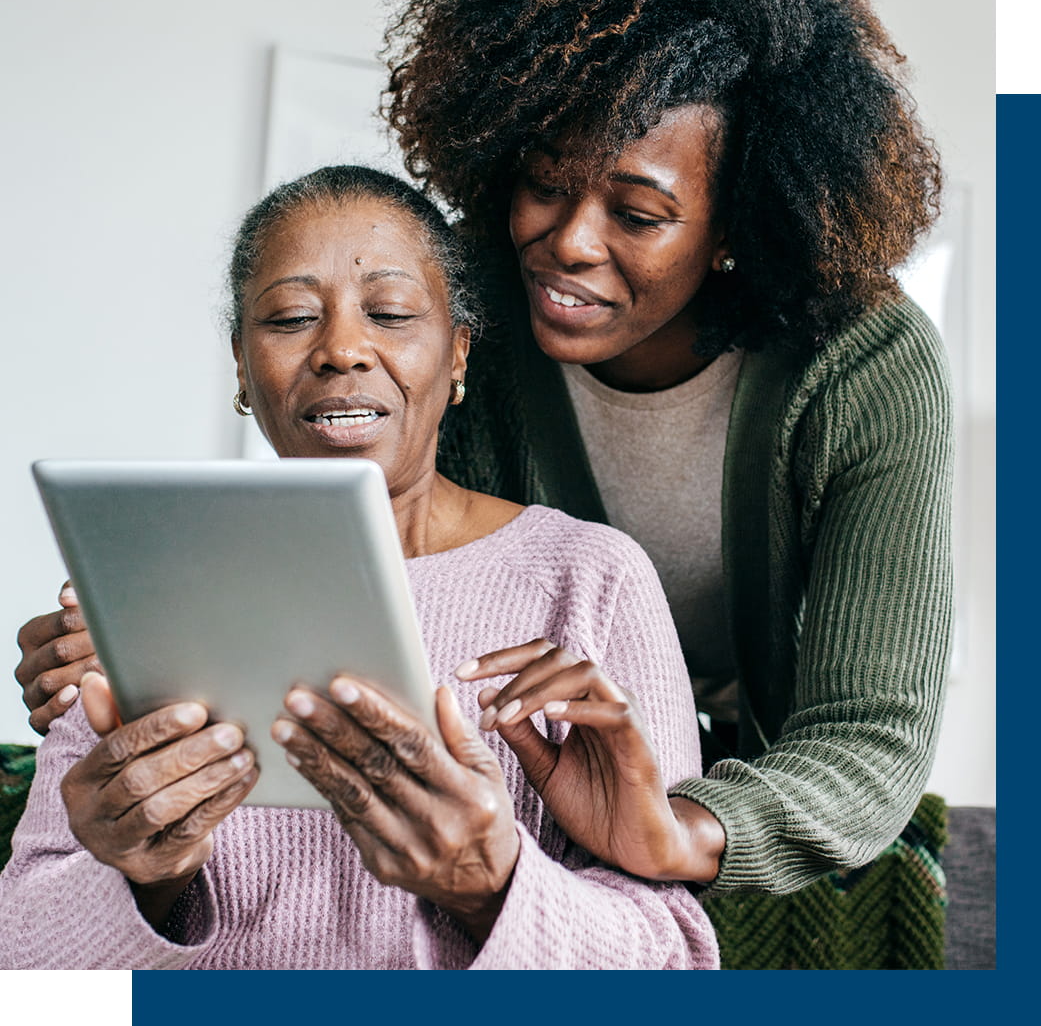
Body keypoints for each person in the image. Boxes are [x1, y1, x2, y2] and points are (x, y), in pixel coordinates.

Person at [15, 0, 953, 898]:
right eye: (544, 185)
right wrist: (142, 652)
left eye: (637, 214)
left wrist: (680, 831)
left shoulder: (861, 363)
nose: (570, 243)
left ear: (734, 227)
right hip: (545, 803)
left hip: (756, 796)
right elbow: (378, 586)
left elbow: (869, 732)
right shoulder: (462, 320)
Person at [0, 165, 718, 970]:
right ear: (242, 363)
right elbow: (24, 981)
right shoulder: (145, 579)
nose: (342, 348)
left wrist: (490, 884)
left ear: (458, 354)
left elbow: (674, 970)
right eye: (293, 317)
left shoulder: (589, 577)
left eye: (391, 312)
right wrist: (136, 878)